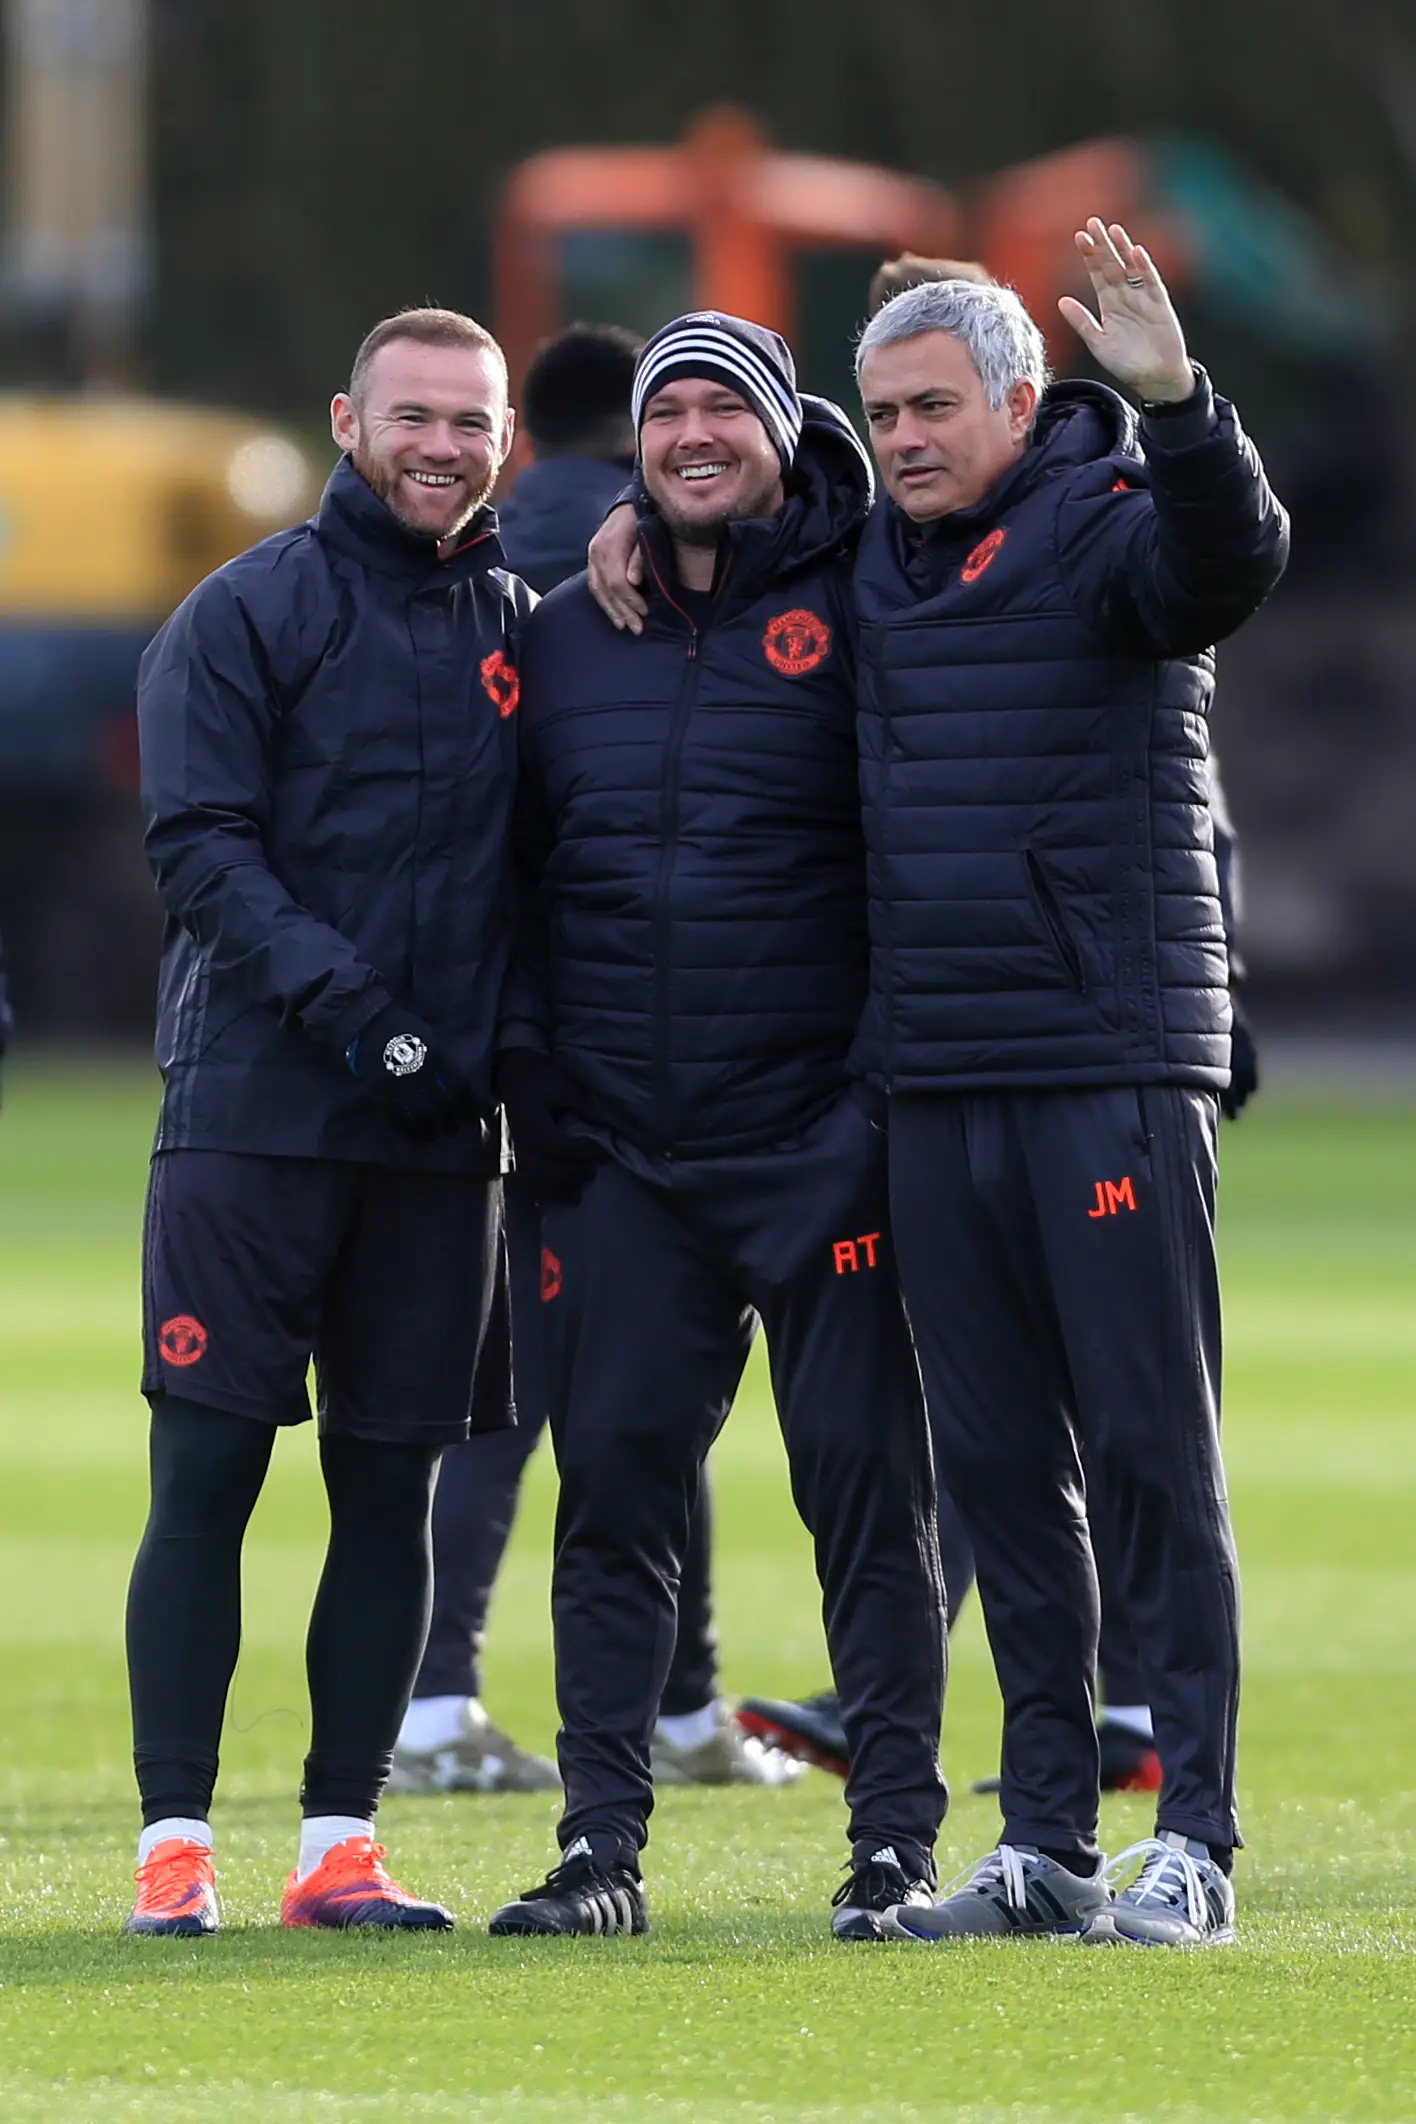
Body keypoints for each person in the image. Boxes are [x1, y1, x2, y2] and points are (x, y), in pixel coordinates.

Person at [845, 226, 1286, 1945]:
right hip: (942, 1073)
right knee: (1000, 1473)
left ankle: (1196, 1842)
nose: (902, 439)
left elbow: (1229, 563)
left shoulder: (1115, 524)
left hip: (1107, 1058)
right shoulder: (871, 554)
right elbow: (727, 480)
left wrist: (1180, 407)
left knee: (1154, 1457)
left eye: (934, 406)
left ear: (1026, 399)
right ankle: (1042, 1844)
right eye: (881, 412)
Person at [486, 313, 947, 1943]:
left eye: (723, 410)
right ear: (631, 449)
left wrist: (871, 1106)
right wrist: (534, 1074)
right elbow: (516, 882)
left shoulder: (873, 601)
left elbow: (918, 872)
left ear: (779, 430)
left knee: (866, 1504)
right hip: (620, 1156)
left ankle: (892, 1845)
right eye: (663, 411)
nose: (692, 434)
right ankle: (599, 1847)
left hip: (821, 1146)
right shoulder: (562, 632)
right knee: (610, 1497)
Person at [123, 306, 529, 1937]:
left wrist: (480, 1063)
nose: (442, 446)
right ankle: (172, 1848)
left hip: (442, 1142)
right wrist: (373, 1024)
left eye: (474, 424)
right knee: (208, 1471)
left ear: (507, 445)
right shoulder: (243, 613)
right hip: (253, 1116)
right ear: (349, 420)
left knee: (391, 1490)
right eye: (415, 416)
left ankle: (339, 1847)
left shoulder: (534, 625)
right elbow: (202, 849)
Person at [390, 323, 800, 1797]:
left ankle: (467, 1693)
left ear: (523, 433)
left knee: (541, 1385)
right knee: (607, 1390)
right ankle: (592, 1704)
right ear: (627, 435)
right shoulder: (688, 537)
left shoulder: (480, 550)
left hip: (492, 1041)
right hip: (628, 1053)